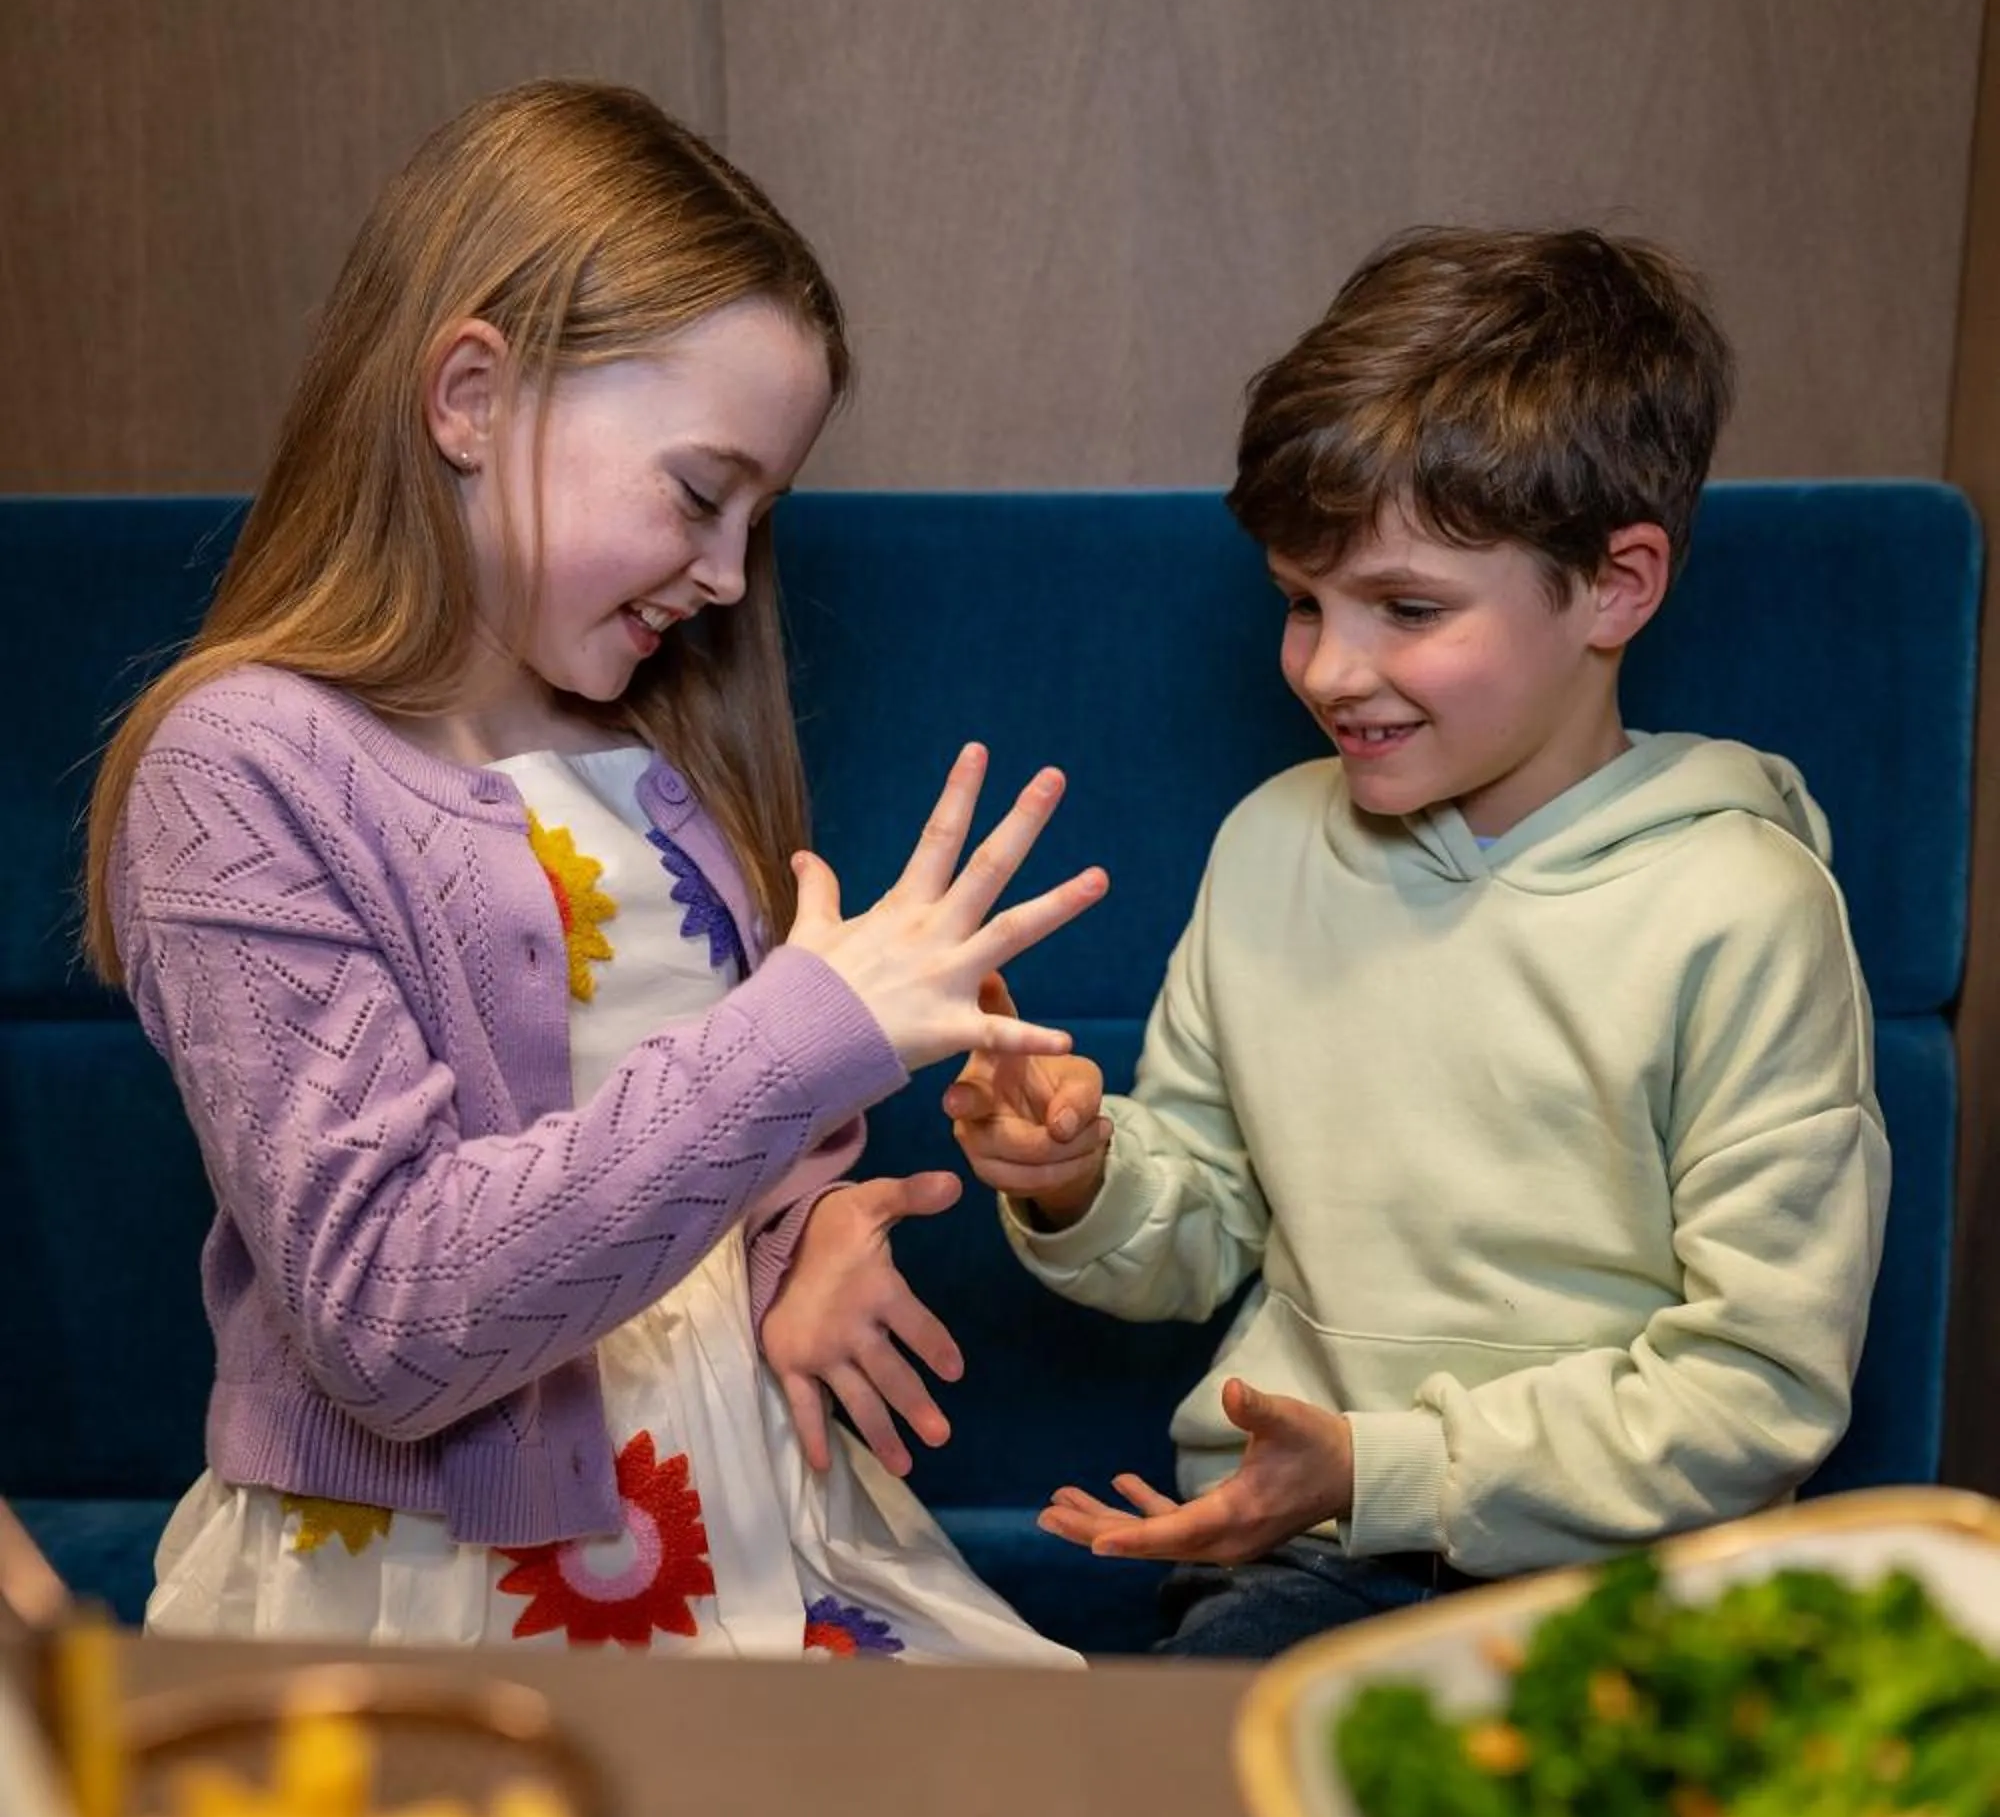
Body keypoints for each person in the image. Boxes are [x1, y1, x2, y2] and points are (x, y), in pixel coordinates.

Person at [88, 80, 1104, 1662]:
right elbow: (388, 1317)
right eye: (700, 494)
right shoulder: (242, 769)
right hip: (441, 1572)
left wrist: (803, 1246)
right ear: (472, 397)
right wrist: (809, 1027)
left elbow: (693, 1147)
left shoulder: (654, 761)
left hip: (752, 1506)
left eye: (758, 519)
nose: (723, 574)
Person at [945, 227, 1889, 1658]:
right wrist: (1079, 1181)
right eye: (1301, 603)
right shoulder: (1272, 844)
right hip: (1301, 1567)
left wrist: (1390, 1470)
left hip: (1640, 1594)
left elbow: (1758, 1388)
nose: (1331, 668)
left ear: (1619, 586)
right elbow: (1200, 1230)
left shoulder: (1743, 909)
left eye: (1408, 607)